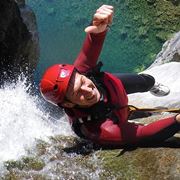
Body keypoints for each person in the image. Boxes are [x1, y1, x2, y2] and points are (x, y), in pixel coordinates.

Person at [40, 5, 180, 147]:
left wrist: (99, 27)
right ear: (69, 104)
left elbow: (92, 44)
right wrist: (177, 121)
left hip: (113, 87)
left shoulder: (81, 72)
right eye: (78, 92)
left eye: (83, 81)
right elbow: (143, 135)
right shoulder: (100, 130)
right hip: (115, 111)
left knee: (147, 81)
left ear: (81, 74)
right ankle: (127, 115)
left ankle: (152, 86)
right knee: (130, 112)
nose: (88, 89)